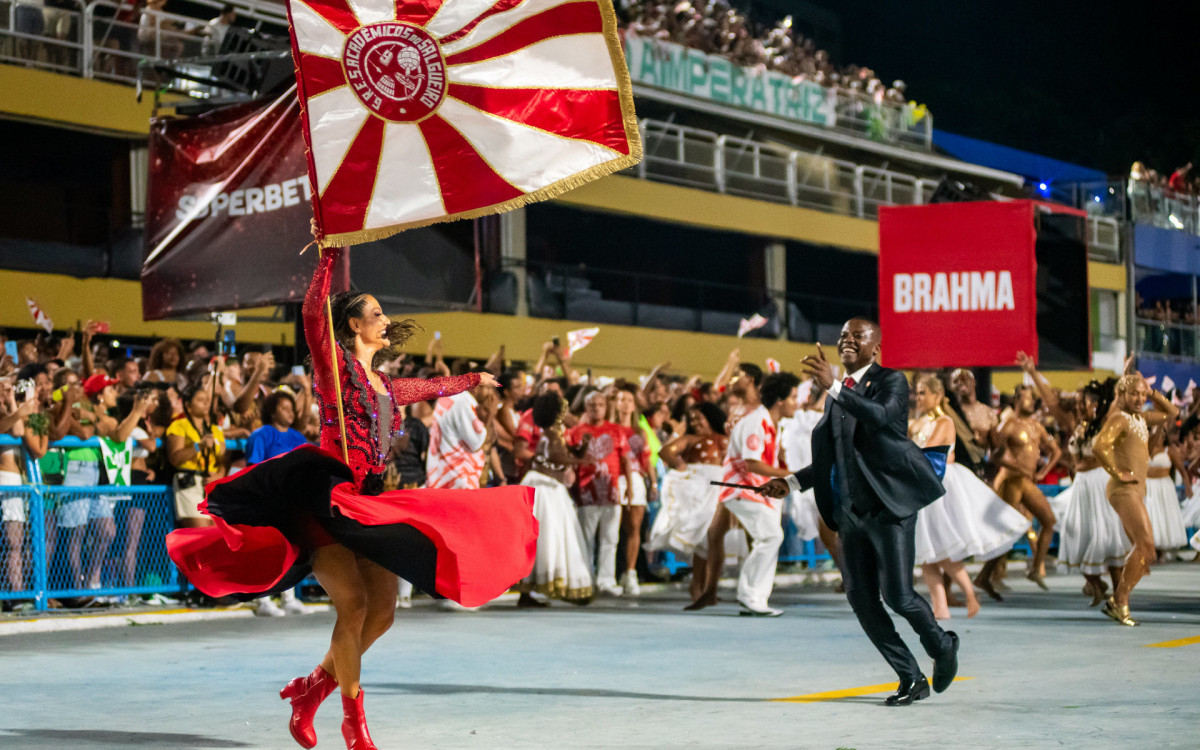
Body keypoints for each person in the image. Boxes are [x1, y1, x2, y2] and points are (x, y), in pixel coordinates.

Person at [166, 245, 535, 750]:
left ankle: (312, 689)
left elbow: (429, 387)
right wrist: (327, 259)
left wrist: (472, 379)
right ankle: (353, 721)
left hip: (371, 501)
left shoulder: (383, 384)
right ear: (355, 326)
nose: (385, 321)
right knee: (355, 605)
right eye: (376, 314)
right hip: (328, 497)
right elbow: (313, 314)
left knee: (384, 610)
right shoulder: (334, 369)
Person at [760, 319, 958, 706]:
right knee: (862, 600)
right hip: (851, 513)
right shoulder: (838, 394)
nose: (848, 340)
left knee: (898, 596)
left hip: (889, 507)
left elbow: (880, 417)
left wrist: (833, 385)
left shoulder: (891, 381)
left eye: (858, 336)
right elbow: (833, 455)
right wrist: (792, 482)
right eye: (843, 336)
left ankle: (942, 644)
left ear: (876, 348)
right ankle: (910, 676)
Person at [689, 371, 800, 616]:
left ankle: (757, 598)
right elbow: (751, 464)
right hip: (741, 488)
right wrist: (793, 474)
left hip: (760, 491)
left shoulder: (771, 424)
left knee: (771, 538)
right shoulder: (756, 423)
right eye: (793, 397)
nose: (798, 402)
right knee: (771, 537)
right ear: (780, 401)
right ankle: (749, 595)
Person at [1092, 374, 1176, 626]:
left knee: (1147, 550)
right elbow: (1099, 446)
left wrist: (1152, 394)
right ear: (1123, 395)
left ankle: (1117, 600)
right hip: (1123, 489)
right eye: (1135, 394)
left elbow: (1172, 413)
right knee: (1146, 545)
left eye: (1142, 394)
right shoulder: (1120, 418)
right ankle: (1120, 601)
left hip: (1136, 490)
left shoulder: (1140, 418)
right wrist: (1117, 472)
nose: (1140, 399)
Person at [516, 391, 595, 606]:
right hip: (546, 489)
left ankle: (529, 591)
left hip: (547, 486)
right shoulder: (551, 435)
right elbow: (557, 456)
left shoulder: (552, 433)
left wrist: (582, 450)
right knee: (552, 536)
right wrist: (582, 461)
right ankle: (551, 585)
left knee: (547, 538)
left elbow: (567, 453)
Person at [646, 402, 727, 603]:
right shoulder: (690, 439)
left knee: (711, 539)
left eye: (700, 418)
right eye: (692, 420)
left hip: (717, 490)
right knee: (703, 538)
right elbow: (665, 451)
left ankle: (704, 588)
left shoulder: (725, 439)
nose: (695, 423)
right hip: (698, 491)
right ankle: (699, 587)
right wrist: (680, 465)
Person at [984, 385, 1061, 593]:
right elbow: (993, 455)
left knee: (1045, 521)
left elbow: (1055, 450)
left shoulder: (1037, 426)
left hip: (1026, 481)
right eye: (1026, 399)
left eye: (1032, 399)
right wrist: (1015, 466)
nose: (1031, 403)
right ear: (1016, 401)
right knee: (1006, 529)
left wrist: (1043, 472)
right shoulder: (1007, 426)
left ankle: (1036, 567)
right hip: (1010, 480)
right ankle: (990, 574)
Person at [568, 390, 632, 597]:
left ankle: (606, 580)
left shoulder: (616, 431)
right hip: (586, 492)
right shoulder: (576, 432)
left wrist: (629, 485)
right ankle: (586, 578)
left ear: (606, 407)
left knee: (610, 538)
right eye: (592, 405)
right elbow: (569, 461)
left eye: (600, 404)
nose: (596, 408)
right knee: (586, 539)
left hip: (611, 492)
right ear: (586, 408)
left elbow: (626, 460)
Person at [613, 383, 654, 596]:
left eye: (629, 400)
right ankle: (609, 573)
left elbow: (646, 461)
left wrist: (653, 483)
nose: (625, 403)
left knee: (634, 528)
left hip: (636, 480)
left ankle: (630, 573)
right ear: (616, 403)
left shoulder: (639, 431)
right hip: (613, 478)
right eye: (621, 399)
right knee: (611, 531)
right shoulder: (609, 427)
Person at [425, 374, 495, 490]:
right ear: (475, 387)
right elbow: (477, 443)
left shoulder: (451, 397)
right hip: (457, 478)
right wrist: (490, 415)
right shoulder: (463, 403)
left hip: (441, 475)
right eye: (487, 388)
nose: (490, 394)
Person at [1144, 425, 1188, 559]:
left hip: (1164, 487)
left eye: (1161, 433)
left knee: (1162, 516)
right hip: (1149, 486)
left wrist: (1189, 487)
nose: (1158, 435)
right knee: (1150, 516)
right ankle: (1150, 548)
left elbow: (1182, 470)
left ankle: (1161, 551)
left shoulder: (1169, 450)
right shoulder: (1145, 449)